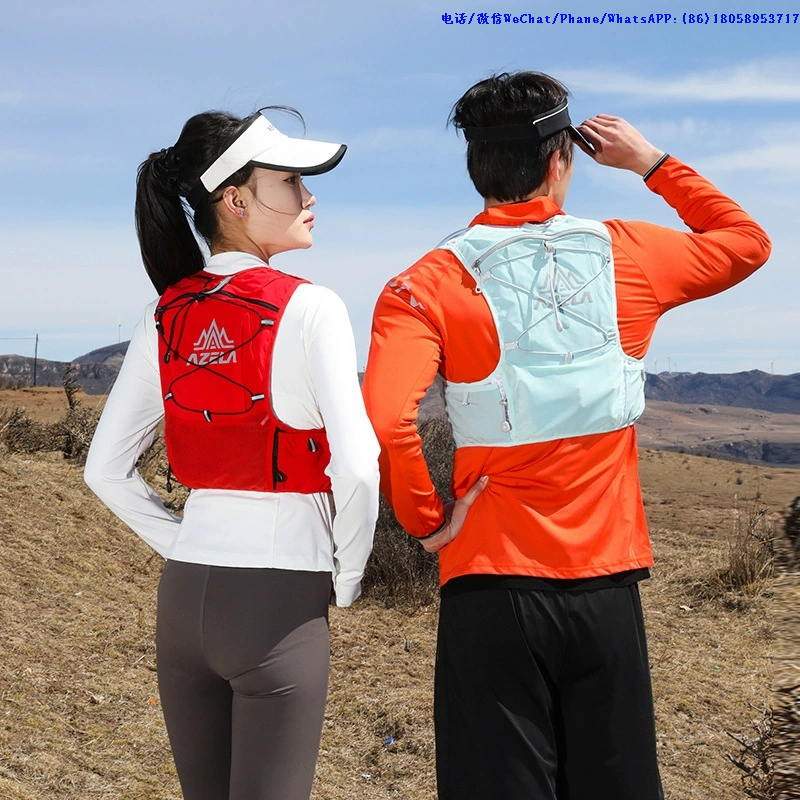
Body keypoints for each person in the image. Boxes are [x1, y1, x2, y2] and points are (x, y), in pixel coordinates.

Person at [361, 71, 771, 800]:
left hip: (487, 582)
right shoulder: (629, 252)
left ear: (476, 165)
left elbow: (389, 418)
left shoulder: (421, 284)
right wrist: (652, 163)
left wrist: (426, 522)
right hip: (607, 584)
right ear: (561, 159)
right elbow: (747, 242)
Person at [84, 107, 379, 800]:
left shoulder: (165, 312)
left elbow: (104, 470)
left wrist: (184, 541)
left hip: (185, 596)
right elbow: (357, 466)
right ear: (235, 199)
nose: (309, 196)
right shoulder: (312, 307)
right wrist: (346, 575)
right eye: (291, 181)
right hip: (279, 599)